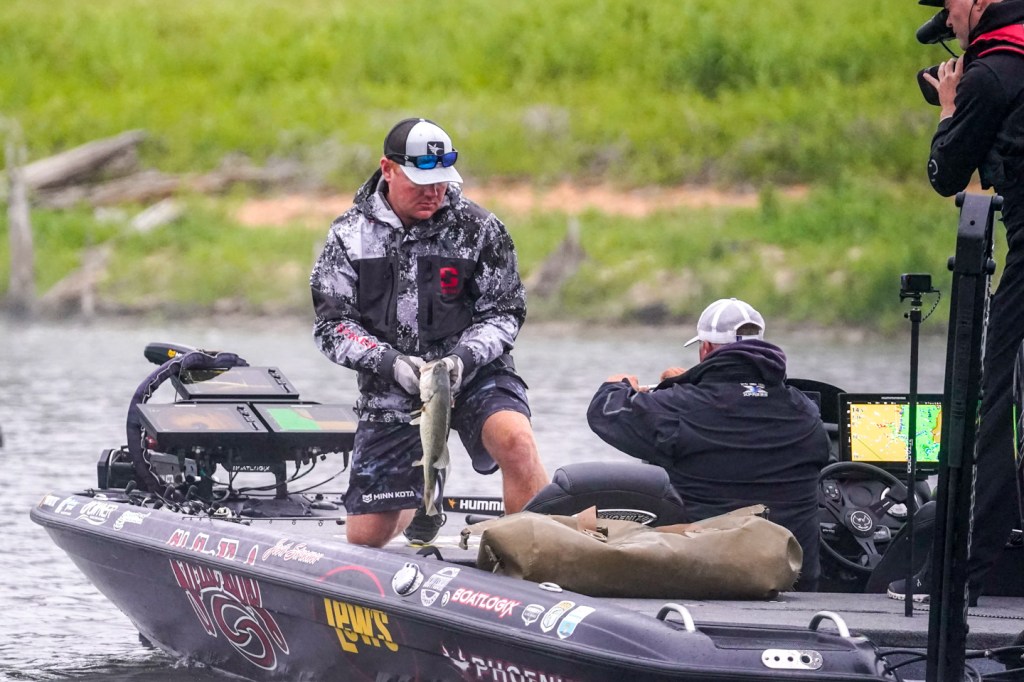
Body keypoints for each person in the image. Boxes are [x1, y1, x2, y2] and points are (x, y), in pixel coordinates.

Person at [310, 117, 548, 548]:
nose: (433, 192)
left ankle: (540, 555)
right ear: (387, 169)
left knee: (516, 440)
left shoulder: (480, 229)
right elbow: (332, 326)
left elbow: (506, 312)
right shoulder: (348, 235)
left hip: (473, 373)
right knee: (365, 538)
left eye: (441, 181)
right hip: (392, 385)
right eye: (421, 182)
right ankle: (424, 498)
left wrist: (463, 358)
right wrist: (390, 363)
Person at [894, 0, 1024, 603]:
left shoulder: (990, 74)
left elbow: (945, 174)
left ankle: (961, 575)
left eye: (947, 7)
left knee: (996, 406)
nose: (946, 22)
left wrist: (950, 107)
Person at [586, 298, 830, 591]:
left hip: (709, 582)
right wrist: (684, 385)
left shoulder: (679, 409)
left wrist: (617, 384)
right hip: (796, 584)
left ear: (705, 349)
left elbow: (605, 412)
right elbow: (742, 401)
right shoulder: (805, 413)